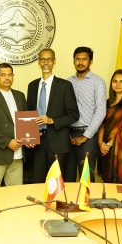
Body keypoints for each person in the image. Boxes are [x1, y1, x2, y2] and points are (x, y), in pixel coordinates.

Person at [27, 48, 79, 183]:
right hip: (37, 144)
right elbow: (29, 114)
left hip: (58, 144)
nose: (45, 62)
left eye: (49, 59)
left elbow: (74, 115)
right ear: (38, 62)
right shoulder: (32, 86)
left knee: (56, 184)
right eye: (42, 59)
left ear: (54, 62)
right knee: (38, 182)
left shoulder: (64, 86)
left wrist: (52, 120)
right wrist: (29, 137)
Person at [66, 47, 106, 181]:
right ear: (73, 61)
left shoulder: (98, 82)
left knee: (86, 178)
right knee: (67, 177)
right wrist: (68, 134)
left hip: (88, 136)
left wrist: (85, 136)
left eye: (84, 59)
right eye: (77, 59)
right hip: (68, 136)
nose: (80, 62)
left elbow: (101, 111)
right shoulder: (68, 82)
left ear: (90, 61)